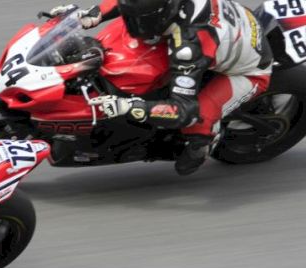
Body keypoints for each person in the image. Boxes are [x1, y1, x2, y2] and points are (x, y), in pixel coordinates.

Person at [50, 0, 273, 175]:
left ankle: (203, 143)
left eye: (139, 21)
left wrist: (127, 106)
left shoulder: (189, 46)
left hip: (247, 71)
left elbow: (183, 110)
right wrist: (93, 14)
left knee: (199, 117)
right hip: (229, 27)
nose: (133, 25)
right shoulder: (167, 6)